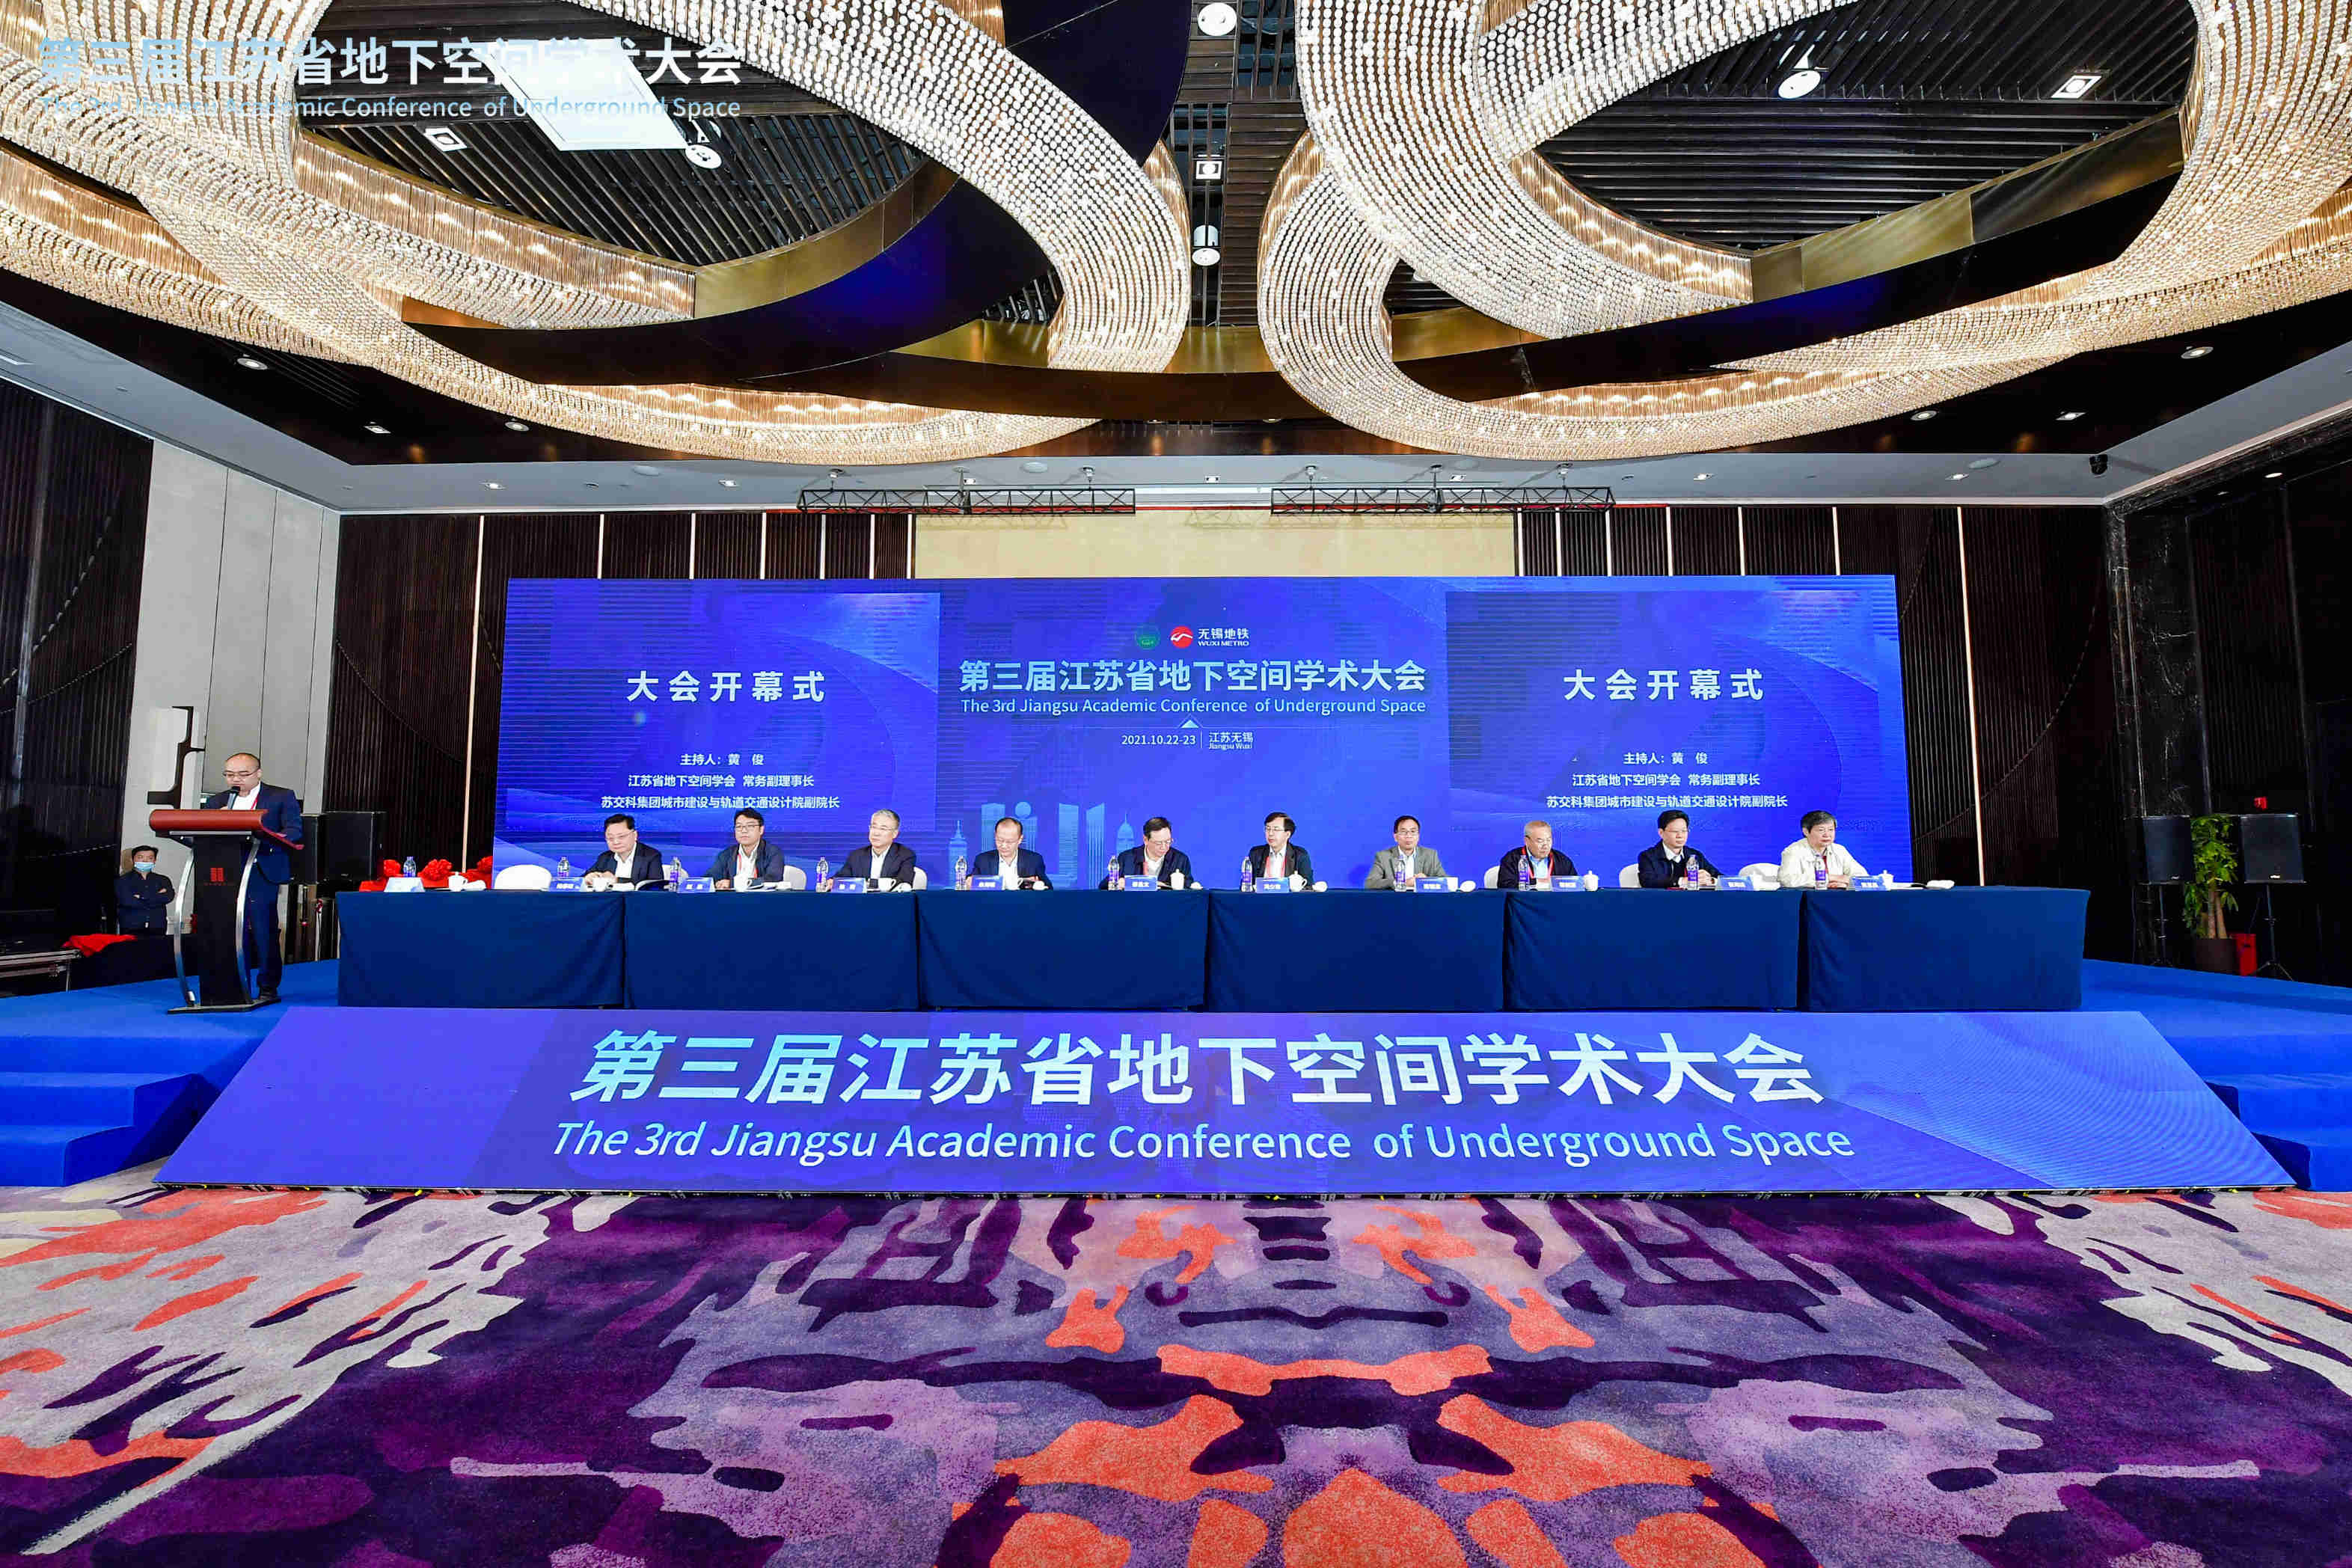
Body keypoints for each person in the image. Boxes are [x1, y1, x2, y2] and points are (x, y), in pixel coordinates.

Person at [196, 752, 303, 1001]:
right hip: (227, 873)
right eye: (230, 775)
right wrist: (218, 820)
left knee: (264, 930)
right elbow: (203, 832)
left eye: (243, 774)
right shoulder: (217, 801)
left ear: (258, 773)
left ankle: (268, 986)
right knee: (230, 930)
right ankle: (235, 984)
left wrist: (270, 836)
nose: (236, 779)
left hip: (261, 870)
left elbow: (294, 830)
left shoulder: (281, 796)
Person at [1779, 809, 1869, 889]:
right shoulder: (1794, 851)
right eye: (1821, 830)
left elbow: (1862, 877)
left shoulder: (1839, 850)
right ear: (1806, 832)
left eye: (1831, 830)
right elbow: (1787, 879)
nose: (1827, 835)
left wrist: (1846, 884)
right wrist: (1829, 878)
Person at [1638, 809, 1721, 889]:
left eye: (1684, 831)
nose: (1680, 836)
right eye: (1675, 831)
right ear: (1661, 833)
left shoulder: (1695, 855)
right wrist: (1683, 881)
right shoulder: (1648, 856)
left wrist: (1711, 880)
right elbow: (1648, 881)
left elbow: (1722, 879)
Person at [839, 807, 919, 889]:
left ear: (895, 834)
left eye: (883, 829)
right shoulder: (856, 855)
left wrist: (868, 884)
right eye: (874, 827)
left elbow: (903, 883)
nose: (876, 833)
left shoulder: (905, 855)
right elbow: (841, 879)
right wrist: (832, 882)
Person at [1102, 816, 1193, 888]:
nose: (1164, 847)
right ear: (1145, 840)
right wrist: (1118, 883)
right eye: (1158, 843)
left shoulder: (1180, 860)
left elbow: (1189, 888)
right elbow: (1104, 886)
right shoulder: (1126, 858)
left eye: (1168, 841)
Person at [709, 808, 789, 889]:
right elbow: (710, 879)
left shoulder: (773, 853)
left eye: (750, 826)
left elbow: (773, 879)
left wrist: (733, 884)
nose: (744, 831)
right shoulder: (726, 855)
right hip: (732, 897)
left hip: (761, 896)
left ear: (761, 830)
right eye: (739, 826)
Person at [584, 812, 667, 889]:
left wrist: (617, 880)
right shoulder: (605, 857)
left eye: (621, 837)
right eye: (610, 838)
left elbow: (655, 885)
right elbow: (582, 879)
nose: (616, 842)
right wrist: (589, 877)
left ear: (635, 835)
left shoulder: (651, 856)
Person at [1365, 815, 1445, 889]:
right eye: (1403, 832)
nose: (1408, 836)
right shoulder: (1383, 857)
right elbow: (1370, 883)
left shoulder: (1430, 855)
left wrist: (1425, 881)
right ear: (1396, 837)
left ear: (1418, 836)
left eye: (1413, 832)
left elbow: (1445, 882)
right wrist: (1400, 883)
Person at [973, 816, 1052, 889]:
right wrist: (969, 883)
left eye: (1009, 842)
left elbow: (1048, 888)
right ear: (995, 836)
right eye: (1000, 840)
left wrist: (1035, 885)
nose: (1004, 846)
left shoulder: (1034, 860)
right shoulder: (982, 860)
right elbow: (971, 883)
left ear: (1020, 839)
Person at [1496, 819, 1576, 888]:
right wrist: (1536, 882)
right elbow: (1504, 885)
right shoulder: (1512, 858)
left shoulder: (1562, 860)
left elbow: (1574, 885)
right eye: (1540, 841)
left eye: (1549, 840)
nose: (1545, 845)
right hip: (1524, 900)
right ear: (1527, 841)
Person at [1245, 811, 1315, 887]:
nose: (1270, 834)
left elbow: (1308, 887)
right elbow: (1246, 886)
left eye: (1276, 830)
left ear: (1287, 834)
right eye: (1268, 829)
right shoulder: (1256, 853)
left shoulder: (1300, 855)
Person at [114, 845, 173, 934]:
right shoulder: (122, 881)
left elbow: (169, 897)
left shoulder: (163, 880)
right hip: (131, 927)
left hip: (158, 927)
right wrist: (156, 897)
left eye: (150, 858)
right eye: (140, 857)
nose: (145, 860)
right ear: (132, 860)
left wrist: (141, 897)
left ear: (155, 861)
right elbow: (127, 901)